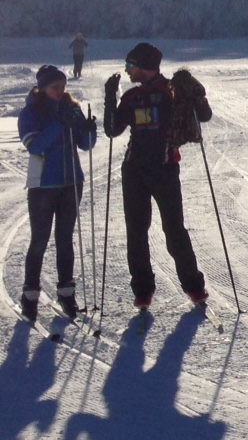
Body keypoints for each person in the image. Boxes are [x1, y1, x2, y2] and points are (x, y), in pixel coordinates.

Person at [105, 42, 211, 310]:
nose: (127, 70)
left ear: (145, 66)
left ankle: (194, 287)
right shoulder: (131, 96)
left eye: (130, 65)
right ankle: (142, 290)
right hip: (134, 170)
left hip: (165, 168)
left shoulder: (172, 91)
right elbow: (112, 130)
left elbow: (204, 116)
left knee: (174, 229)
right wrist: (110, 97)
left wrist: (197, 93)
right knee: (136, 231)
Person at [16, 66, 97, 322]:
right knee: (39, 240)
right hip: (42, 185)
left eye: (63, 86)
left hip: (71, 182)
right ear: (42, 88)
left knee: (65, 239)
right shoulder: (31, 113)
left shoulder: (71, 108)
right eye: (55, 87)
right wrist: (59, 123)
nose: (60, 91)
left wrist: (89, 129)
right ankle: (30, 296)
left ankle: (66, 293)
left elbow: (85, 145)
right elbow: (34, 146)